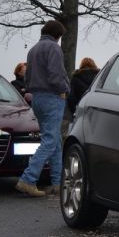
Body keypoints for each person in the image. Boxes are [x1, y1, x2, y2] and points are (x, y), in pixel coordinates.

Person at [16, 20, 70, 198]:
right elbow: (56, 74)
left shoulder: (33, 49)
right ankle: (28, 179)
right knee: (49, 140)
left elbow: (27, 77)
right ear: (58, 35)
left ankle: (56, 183)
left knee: (55, 141)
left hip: (37, 98)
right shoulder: (54, 48)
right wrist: (64, 89)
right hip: (52, 97)